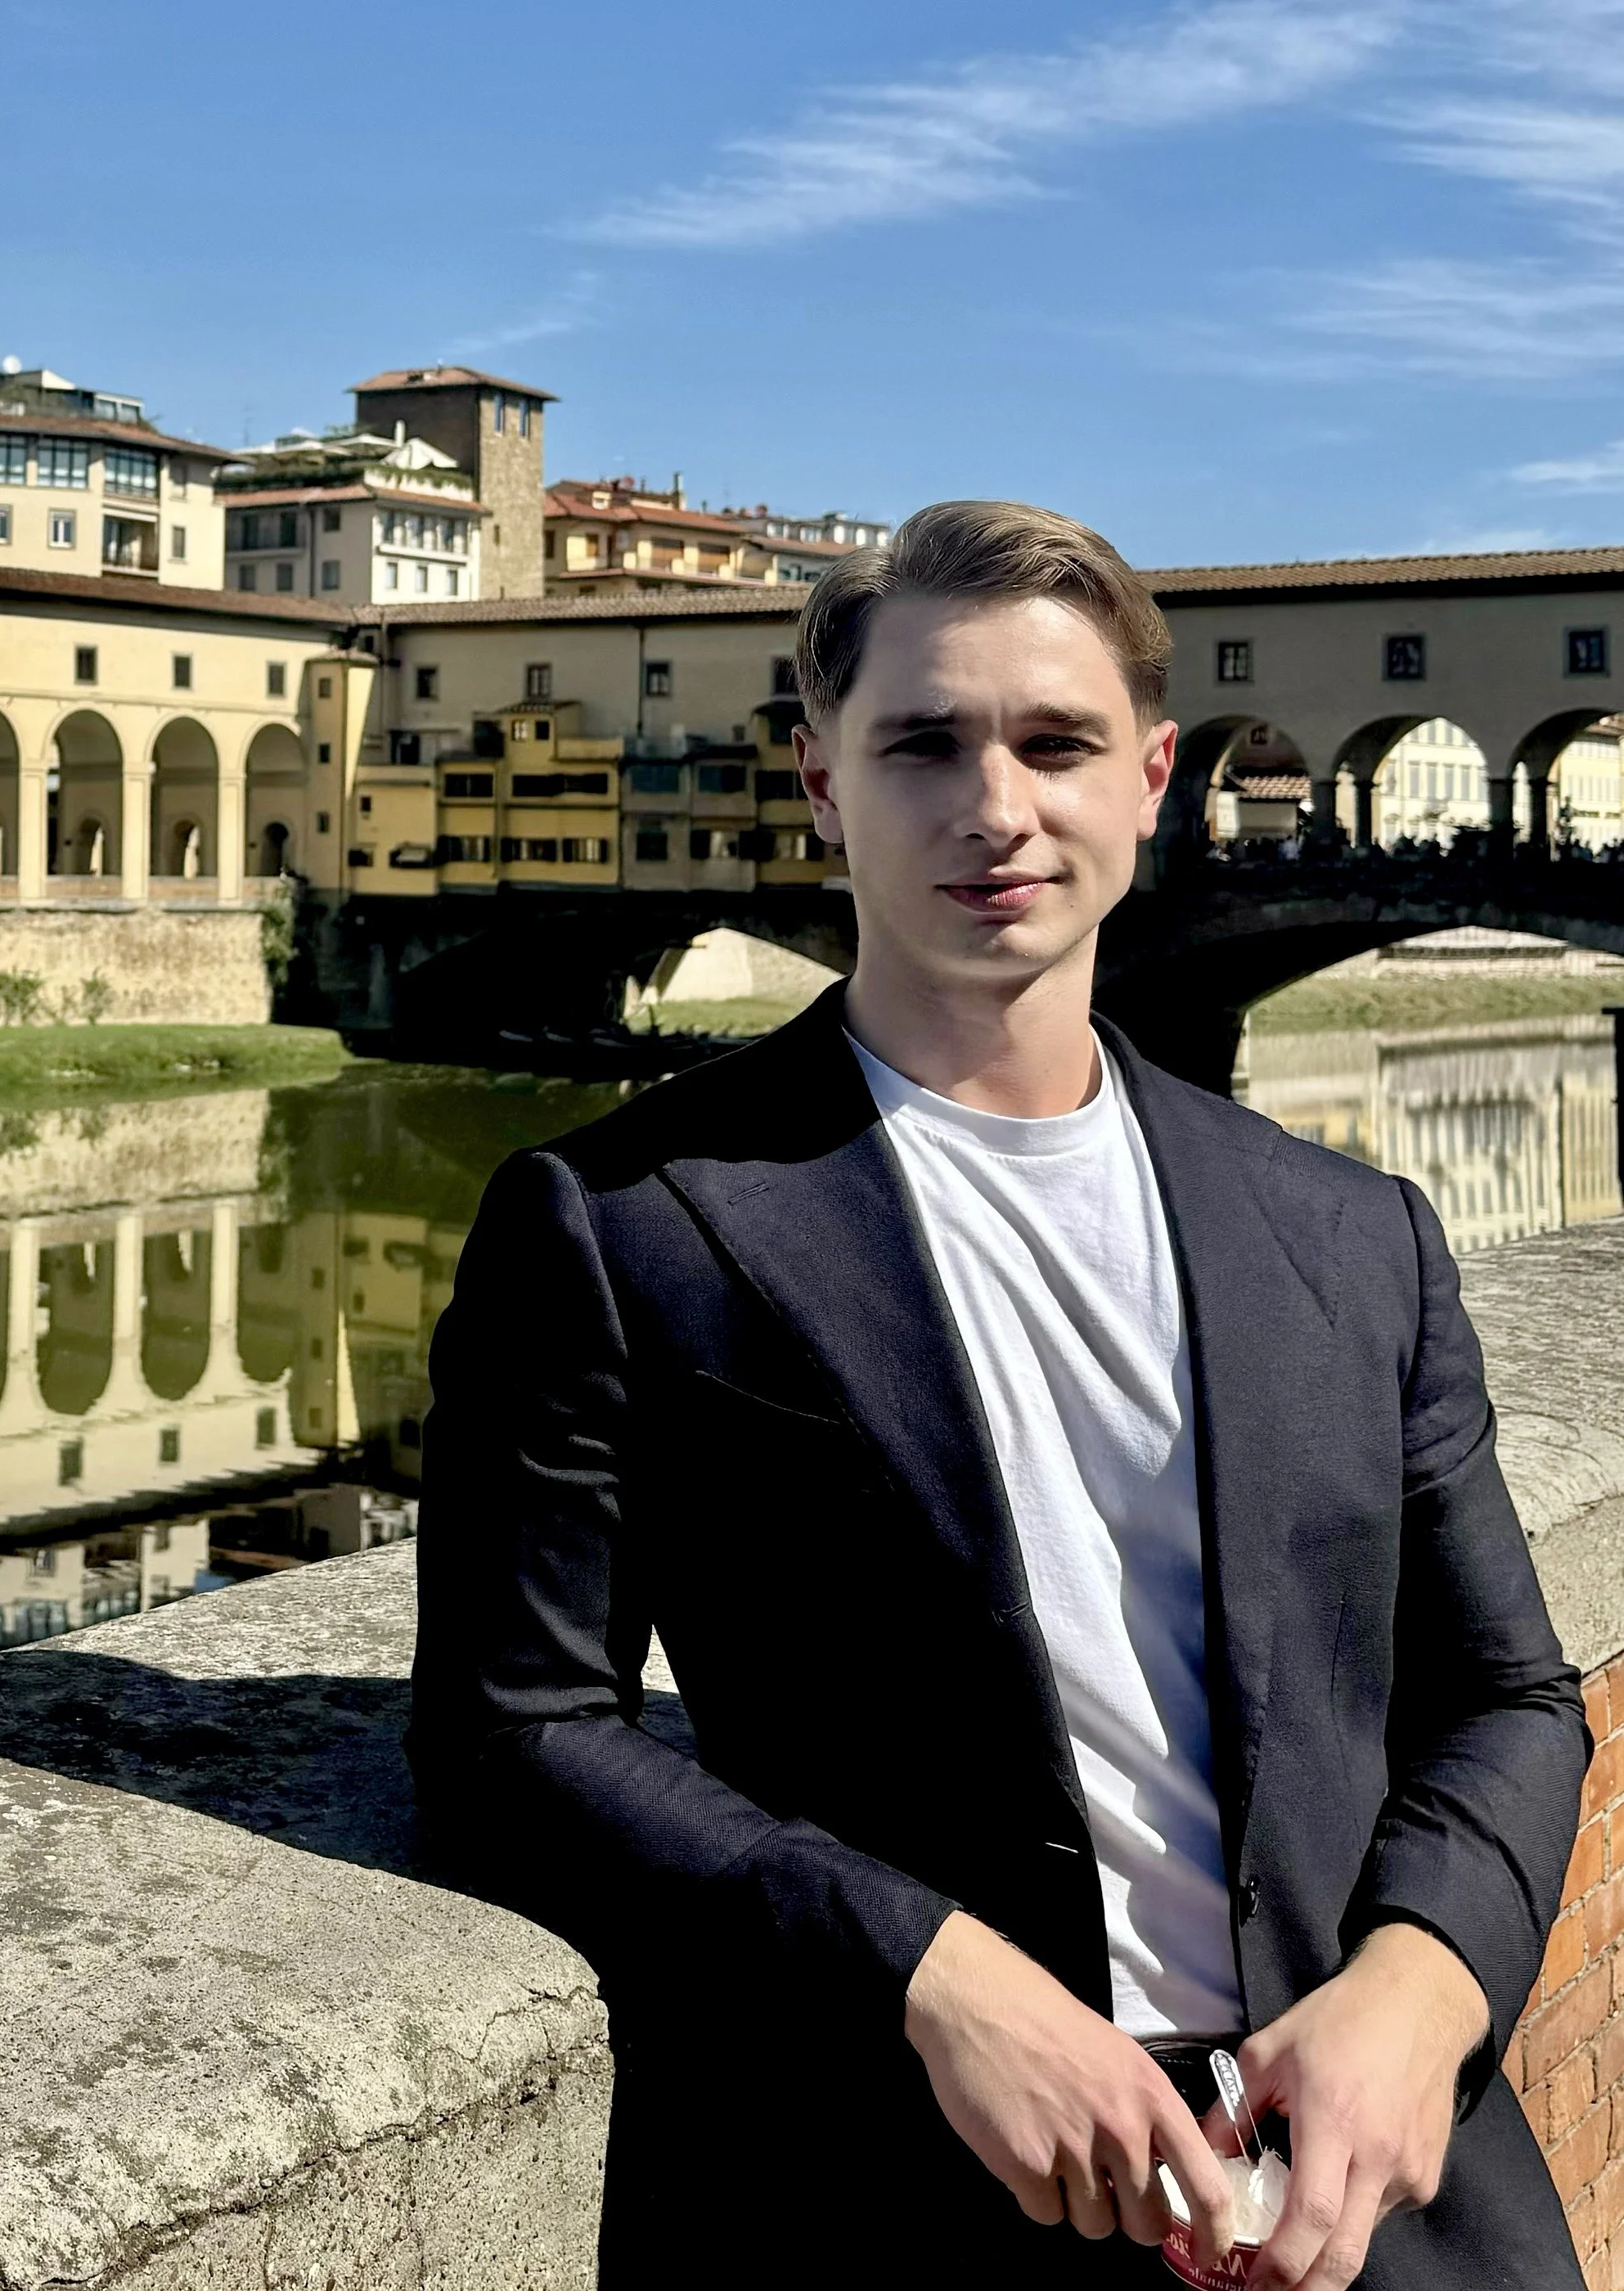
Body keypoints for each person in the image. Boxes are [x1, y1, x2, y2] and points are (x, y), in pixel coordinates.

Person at [410, 502, 1588, 2289]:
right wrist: (925, 1968)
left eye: (1055, 743)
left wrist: (1420, 1990)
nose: (997, 803)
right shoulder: (621, 1222)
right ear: (820, 781)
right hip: (907, 2191)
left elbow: (1507, 1689)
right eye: (923, 743)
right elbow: (508, 1734)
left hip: (1381, 2203)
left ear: (1153, 778)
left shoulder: (1357, 1236)